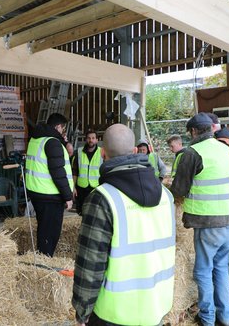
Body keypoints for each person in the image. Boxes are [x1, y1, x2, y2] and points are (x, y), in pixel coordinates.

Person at [72, 124, 176, 326]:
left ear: (103, 153)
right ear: (136, 151)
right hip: (156, 306)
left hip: (114, 313)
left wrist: (82, 310)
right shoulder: (166, 196)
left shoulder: (102, 198)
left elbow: (90, 262)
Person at [170, 113, 229, 326]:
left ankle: (207, 319)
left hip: (209, 223)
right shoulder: (227, 150)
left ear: (193, 132)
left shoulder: (192, 153)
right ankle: (225, 317)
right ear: (211, 129)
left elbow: (179, 190)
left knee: (202, 270)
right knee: (220, 267)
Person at [25, 112, 73, 257]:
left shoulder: (37, 139)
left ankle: (43, 257)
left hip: (37, 192)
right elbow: (58, 173)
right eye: (63, 129)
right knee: (50, 233)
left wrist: (63, 143)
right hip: (50, 195)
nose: (63, 132)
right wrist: (68, 197)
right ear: (58, 126)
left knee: (44, 229)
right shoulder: (52, 143)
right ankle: (45, 260)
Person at [206, 113, 229, 276]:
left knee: (222, 243)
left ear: (212, 127)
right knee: (227, 238)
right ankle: (228, 267)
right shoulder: (227, 138)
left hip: (222, 197)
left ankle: (228, 267)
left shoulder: (222, 142)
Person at [72, 130, 102, 215]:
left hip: (96, 187)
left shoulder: (102, 152)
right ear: (86, 139)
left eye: (93, 138)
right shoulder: (78, 152)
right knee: (81, 211)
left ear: (97, 140)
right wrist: (73, 187)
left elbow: (105, 171)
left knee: (95, 211)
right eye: (89, 138)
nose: (91, 140)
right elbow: (75, 171)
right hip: (81, 188)